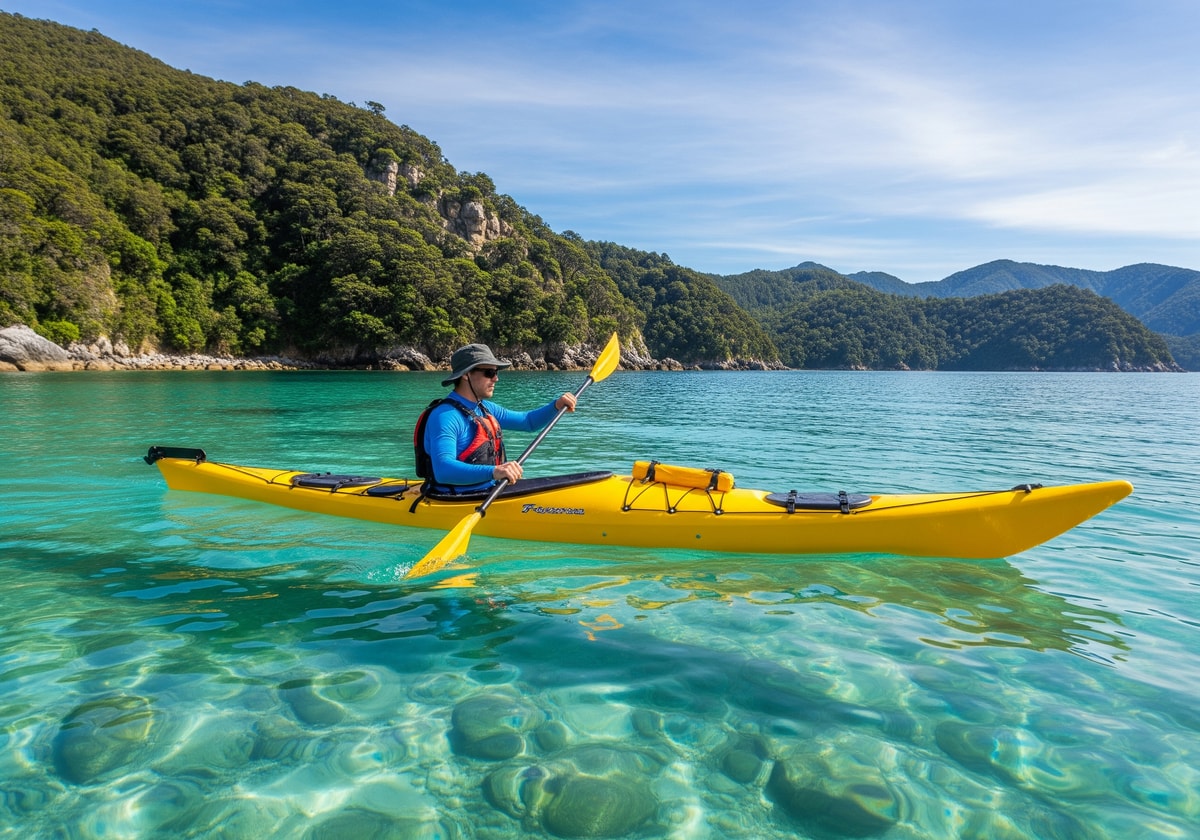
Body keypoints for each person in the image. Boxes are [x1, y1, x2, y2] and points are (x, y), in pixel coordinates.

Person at [414, 344, 576, 494]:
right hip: (456, 498)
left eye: (496, 372)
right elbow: (443, 470)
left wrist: (556, 405)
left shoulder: (486, 408)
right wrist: (495, 471)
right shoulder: (445, 417)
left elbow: (528, 422)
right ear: (466, 375)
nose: (496, 379)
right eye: (489, 373)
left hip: (490, 490)